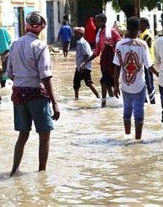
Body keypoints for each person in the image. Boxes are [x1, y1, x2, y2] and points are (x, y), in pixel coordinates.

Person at [6, 11, 60, 176]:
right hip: (36, 93)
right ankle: (42, 173)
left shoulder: (15, 44)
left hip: (18, 93)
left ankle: (14, 170)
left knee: (23, 134)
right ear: (41, 28)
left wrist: (22, 79)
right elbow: (45, 76)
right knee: (44, 135)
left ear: (26, 26)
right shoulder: (40, 46)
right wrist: (55, 103)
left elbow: (9, 73)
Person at [113, 17, 158, 140]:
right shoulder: (142, 44)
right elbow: (149, 66)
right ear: (139, 30)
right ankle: (138, 139)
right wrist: (159, 74)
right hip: (139, 85)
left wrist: (116, 85)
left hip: (125, 84)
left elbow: (116, 66)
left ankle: (127, 136)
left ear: (127, 29)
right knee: (139, 114)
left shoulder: (120, 44)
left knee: (127, 111)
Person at [80, 13, 122, 107]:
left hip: (113, 61)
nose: (97, 23)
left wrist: (112, 46)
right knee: (108, 84)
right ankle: (114, 103)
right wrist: (85, 62)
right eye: (96, 22)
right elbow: (96, 52)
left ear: (104, 21)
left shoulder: (111, 31)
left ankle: (103, 104)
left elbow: (120, 42)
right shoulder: (98, 34)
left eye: (99, 21)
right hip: (104, 62)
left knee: (104, 82)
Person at [73, 26, 99, 99]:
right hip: (79, 67)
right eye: (75, 33)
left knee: (89, 83)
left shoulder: (82, 43)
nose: (74, 35)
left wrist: (83, 64)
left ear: (81, 34)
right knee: (76, 83)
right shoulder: (79, 42)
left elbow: (87, 55)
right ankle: (76, 98)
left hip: (84, 67)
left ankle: (98, 96)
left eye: (76, 34)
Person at [138, 17, 156, 104]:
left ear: (145, 24)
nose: (139, 25)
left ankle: (152, 102)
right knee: (142, 82)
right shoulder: (140, 34)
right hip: (142, 63)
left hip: (148, 63)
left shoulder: (147, 35)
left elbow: (147, 50)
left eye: (140, 23)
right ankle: (144, 101)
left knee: (149, 83)